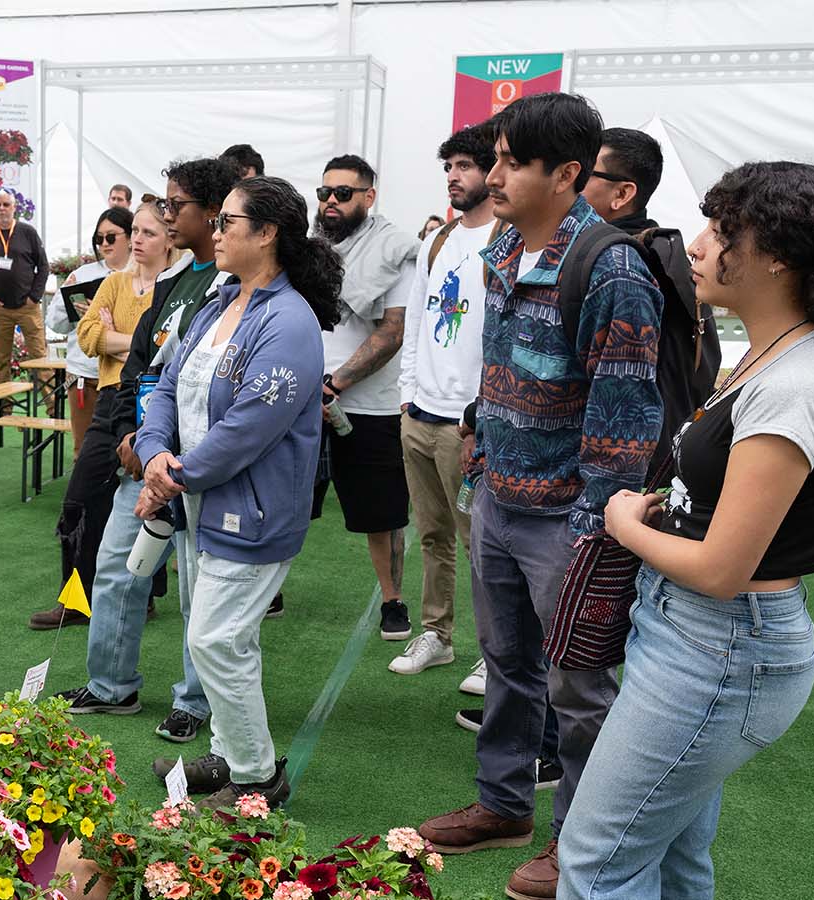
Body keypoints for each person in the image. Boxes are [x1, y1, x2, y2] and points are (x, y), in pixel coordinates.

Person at [558, 161, 814, 900]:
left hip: (720, 646)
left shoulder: (794, 383)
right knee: (668, 858)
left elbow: (720, 568)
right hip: (703, 640)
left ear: (775, 256)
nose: (697, 246)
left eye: (720, 231)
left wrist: (620, 522)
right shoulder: (772, 351)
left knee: (596, 860)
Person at [416, 93, 665, 900]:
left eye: (509, 162)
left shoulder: (612, 267)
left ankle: (578, 842)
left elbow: (626, 414)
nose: (491, 176)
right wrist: (484, 468)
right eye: (491, 159)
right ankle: (504, 806)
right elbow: (499, 374)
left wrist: (595, 532)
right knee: (506, 666)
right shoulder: (500, 253)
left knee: (581, 688)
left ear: (566, 174)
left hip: (569, 520)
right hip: (499, 498)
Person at [139, 175, 341, 808]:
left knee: (214, 640)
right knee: (226, 638)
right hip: (199, 502)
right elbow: (166, 384)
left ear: (267, 233)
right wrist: (154, 453)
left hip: (249, 512)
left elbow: (249, 426)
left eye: (228, 222)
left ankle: (255, 776)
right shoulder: (216, 301)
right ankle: (229, 755)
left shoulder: (291, 322)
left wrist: (174, 474)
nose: (212, 230)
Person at [50, 157, 238, 747]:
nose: (164, 212)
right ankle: (110, 687)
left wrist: (165, 450)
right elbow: (141, 365)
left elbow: (214, 385)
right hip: (147, 454)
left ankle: (194, 701)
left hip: (197, 466)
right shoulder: (178, 281)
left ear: (211, 212)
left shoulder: (230, 284)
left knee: (195, 590)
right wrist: (137, 437)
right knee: (113, 570)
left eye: (175, 203)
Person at [392, 123, 503, 676]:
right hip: (421, 416)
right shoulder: (436, 240)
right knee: (432, 534)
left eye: (464, 166)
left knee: (480, 545)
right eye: (449, 168)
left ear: (492, 172)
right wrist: (409, 397)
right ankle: (437, 634)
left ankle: (494, 654)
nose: (454, 178)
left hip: (471, 426)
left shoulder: (507, 242)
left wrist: (479, 418)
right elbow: (415, 322)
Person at [31, 203, 173, 632]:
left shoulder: (176, 288)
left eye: (147, 232)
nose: (136, 240)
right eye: (135, 232)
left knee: (154, 499)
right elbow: (88, 336)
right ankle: (75, 600)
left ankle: (145, 595)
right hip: (111, 399)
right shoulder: (113, 283)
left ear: (169, 238)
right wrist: (141, 342)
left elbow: (172, 346)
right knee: (79, 500)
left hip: (158, 402)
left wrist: (123, 340)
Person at [312, 154, 419, 639]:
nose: (331, 202)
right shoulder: (311, 249)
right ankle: (267, 591)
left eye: (343, 193)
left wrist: (335, 383)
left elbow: (393, 332)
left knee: (382, 515)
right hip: (304, 399)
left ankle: (392, 602)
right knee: (284, 500)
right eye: (325, 193)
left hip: (369, 404)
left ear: (369, 197)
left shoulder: (395, 248)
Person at [580, 127, 723, 474]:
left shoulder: (624, 263)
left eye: (584, 171)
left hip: (610, 466)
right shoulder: (660, 256)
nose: (569, 179)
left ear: (622, 194)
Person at [50, 208, 134, 455]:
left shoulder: (142, 275)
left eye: (111, 237)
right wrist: (71, 305)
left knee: (125, 455)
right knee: (84, 451)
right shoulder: (82, 275)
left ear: (129, 237)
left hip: (124, 377)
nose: (104, 244)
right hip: (84, 376)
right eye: (99, 239)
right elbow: (54, 323)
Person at [0, 188, 49, 414]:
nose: (2, 209)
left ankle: (52, 407)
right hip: (0, 311)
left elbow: (43, 266)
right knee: (1, 362)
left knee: (40, 360)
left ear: (14, 208)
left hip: (28, 308)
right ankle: (5, 409)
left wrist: (34, 297)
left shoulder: (27, 233)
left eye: (6, 205)